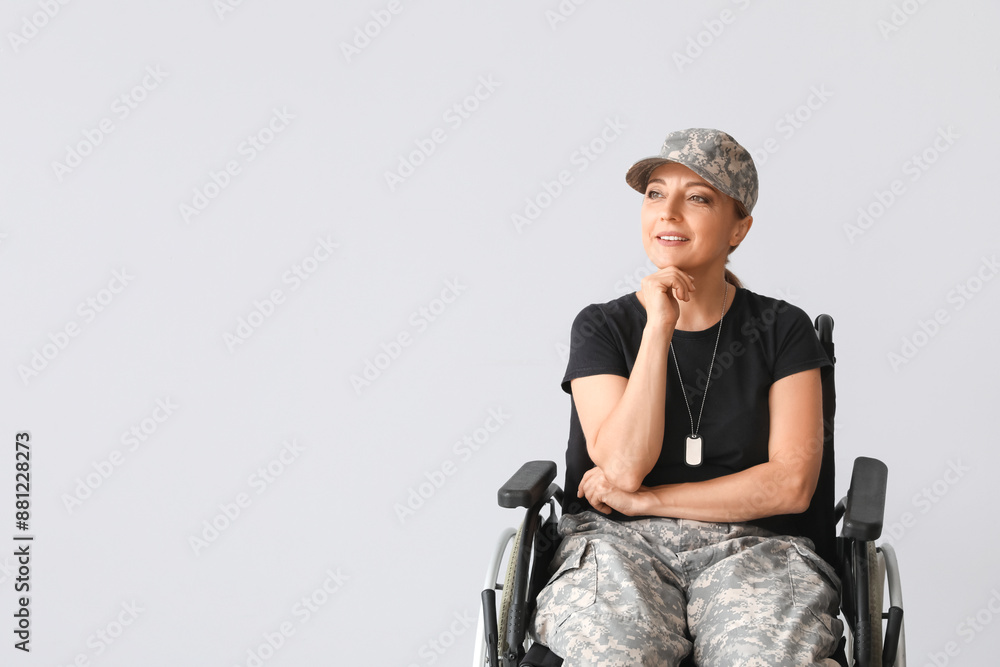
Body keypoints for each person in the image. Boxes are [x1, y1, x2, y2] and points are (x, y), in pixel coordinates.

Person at [526, 128, 844, 666]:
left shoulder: (782, 329)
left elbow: (790, 485)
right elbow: (623, 468)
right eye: (655, 193)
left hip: (757, 547)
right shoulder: (603, 327)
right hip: (617, 544)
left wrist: (650, 501)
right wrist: (658, 327)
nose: (668, 212)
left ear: (739, 227)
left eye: (698, 197)